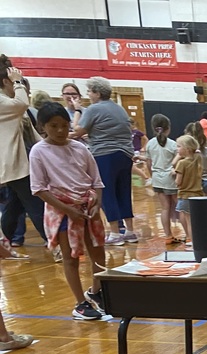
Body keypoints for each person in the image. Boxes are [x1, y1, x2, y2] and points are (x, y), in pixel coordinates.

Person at [29, 102, 108, 320]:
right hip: (62, 209)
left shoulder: (80, 148)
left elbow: (97, 181)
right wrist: (68, 211)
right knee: (71, 257)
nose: (61, 131)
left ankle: (96, 292)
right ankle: (80, 304)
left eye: (64, 125)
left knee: (98, 253)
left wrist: (97, 204)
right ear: (42, 126)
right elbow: (39, 189)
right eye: (54, 126)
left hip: (87, 207)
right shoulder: (39, 151)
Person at [72, 77, 138, 245]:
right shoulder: (119, 108)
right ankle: (130, 231)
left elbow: (77, 131)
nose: (88, 95)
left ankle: (115, 234)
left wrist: (78, 110)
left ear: (97, 93)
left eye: (89, 91)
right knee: (123, 192)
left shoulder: (93, 109)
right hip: (125, 155)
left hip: (105, 155)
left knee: (107, 193)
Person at [0, 58, 47, 250]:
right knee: (36, 203)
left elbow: (32, 134)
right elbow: (22, 104)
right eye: (15, 81)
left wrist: (48, 150)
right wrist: (18, 82)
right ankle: (56, 243)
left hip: (26, 161)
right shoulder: (6, 102)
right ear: (6, 81)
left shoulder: (12, 103)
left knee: (15, 206)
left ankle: (4, 243)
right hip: (16, 163)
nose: (20, 84)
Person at [145, 113, 180, 245]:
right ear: (168, 128)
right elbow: (178, 163)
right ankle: (189, 236)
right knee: (180, 207)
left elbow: (148, 163)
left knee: (165, 208)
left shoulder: (150, 144)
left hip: (157, 178)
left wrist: (151, 176)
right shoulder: (172, 144)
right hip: (171, 178)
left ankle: (168, 236)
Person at [172, 134, 202, 245]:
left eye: (179, 146)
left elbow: (178, 182)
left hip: (185, 196)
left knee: (190, 222)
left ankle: (193, 242)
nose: (177, 149)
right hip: (198, 195)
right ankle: (198, 241)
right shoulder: (197, 161)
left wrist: (174, 176)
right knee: (196, 222)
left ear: (187, 149)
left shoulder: (182, 163)